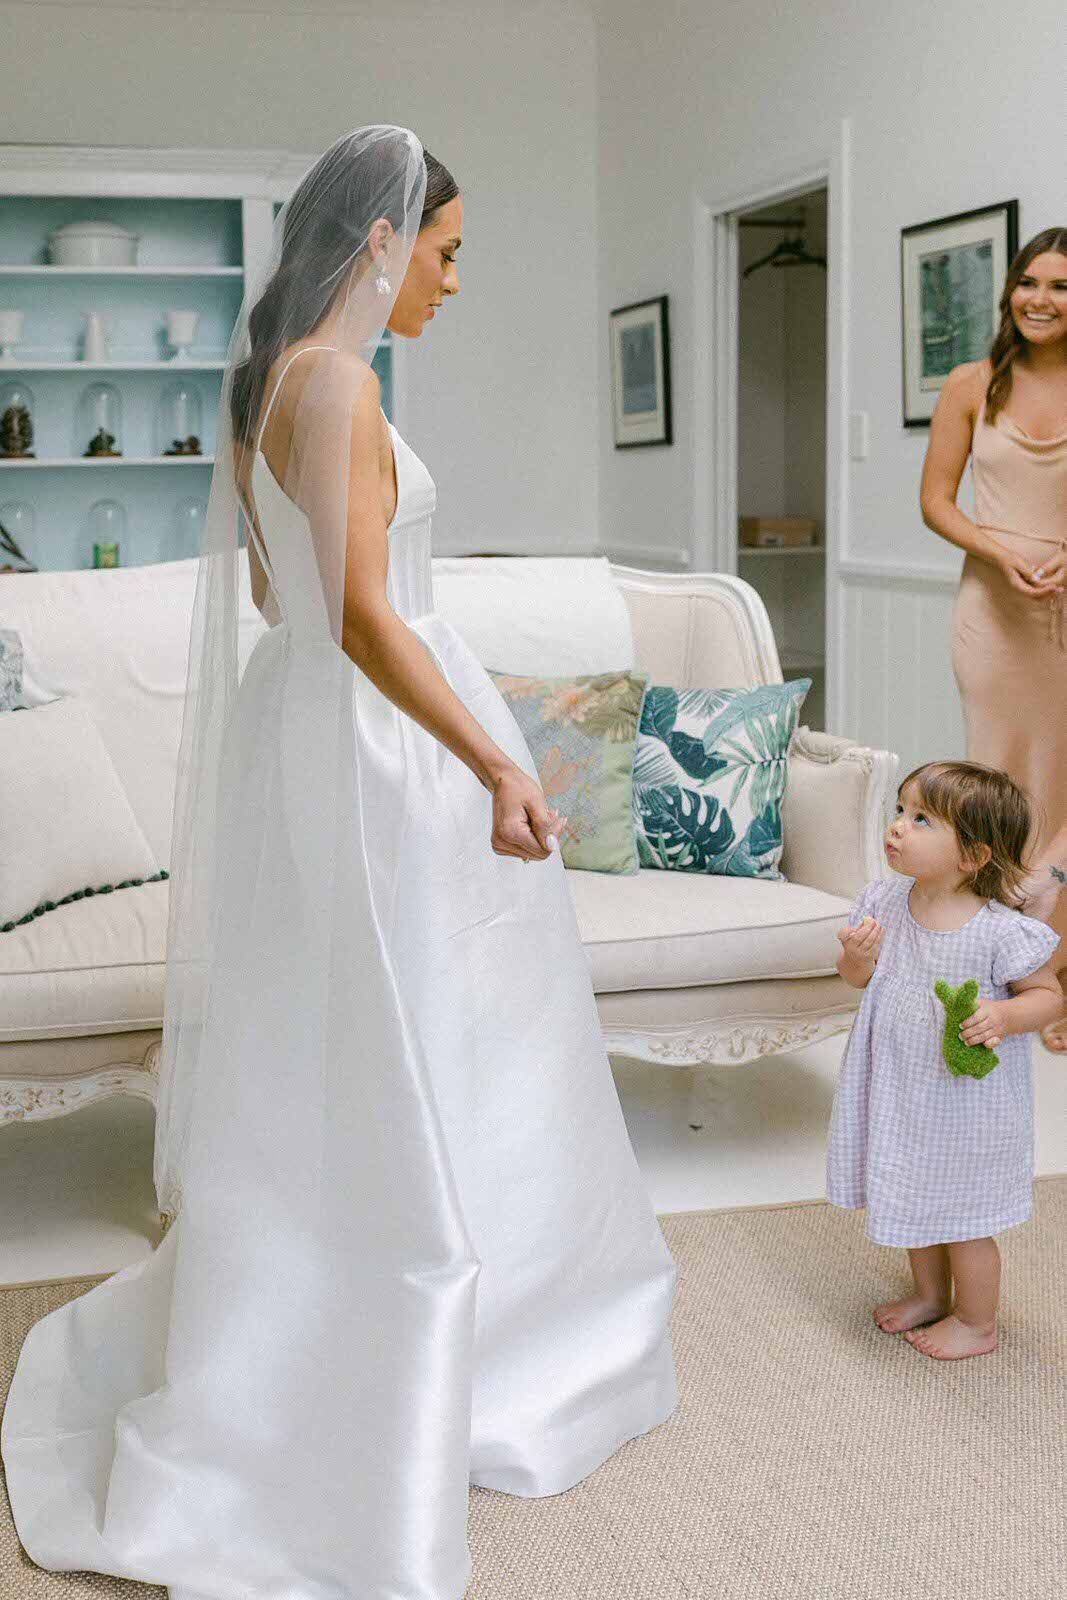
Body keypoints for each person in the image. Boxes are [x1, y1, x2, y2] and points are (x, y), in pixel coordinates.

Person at [1, 126, 678, 1598]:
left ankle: (317, 1286)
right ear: (379, 244)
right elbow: (371, 615)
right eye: (442, 253)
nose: (450, 279)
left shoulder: (265, 386)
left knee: (336, 1034)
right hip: (386, 737)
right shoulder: (346, 385)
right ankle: (451, 1316)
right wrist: (497, 756)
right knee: (435, 1022)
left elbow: (276, 589)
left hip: (300, 726)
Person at [826, 761, 1061, 1361]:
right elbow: (859, 981)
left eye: (922, 819)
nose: (899, 826)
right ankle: (930, 1295)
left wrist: (1005, 1016)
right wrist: (857, 957)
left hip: (966, 1107)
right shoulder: (884, 900)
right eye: (901, 811)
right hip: (901, 1090)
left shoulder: (999, 932)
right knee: (910, 1194)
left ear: (973, 856)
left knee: (962, 1215)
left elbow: (1048, 996)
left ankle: (978, 1322)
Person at [919, 227, 1067, 1051]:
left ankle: (1060, 974)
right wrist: (1002, 550)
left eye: (1061, 286)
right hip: (992, 615)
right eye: (1028, 282)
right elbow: (938, 502)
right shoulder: (972, 384)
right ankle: (1014, 972)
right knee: (1004, 784)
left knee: (1066, 785)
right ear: (1009, 290)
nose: (1040, 299)